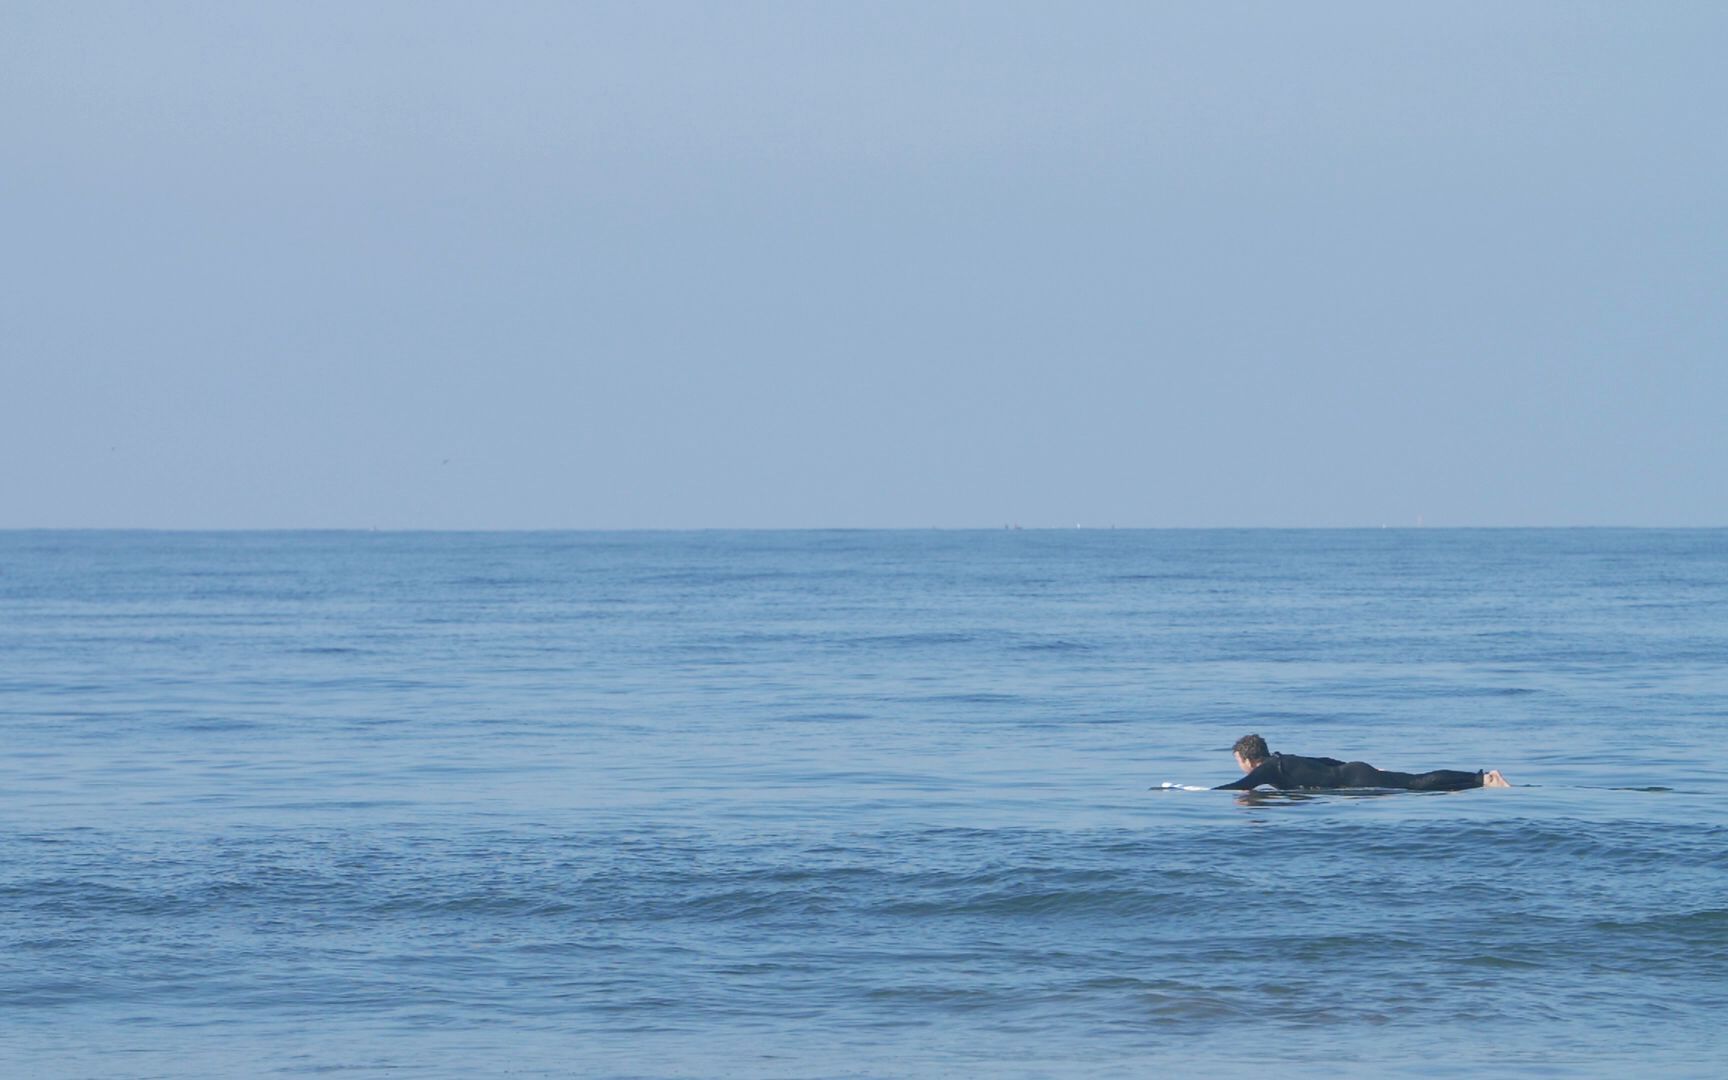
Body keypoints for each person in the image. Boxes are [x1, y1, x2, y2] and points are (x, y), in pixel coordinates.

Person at [1215, 733, 1511, 791]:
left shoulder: (1268, 769)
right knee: (1415, 783)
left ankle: (1482, 779)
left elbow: (1238, 786)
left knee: (1416, 784)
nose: (1239, 766)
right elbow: (1325, 760)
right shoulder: (1284, 760)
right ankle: (1480, 782)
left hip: (1355, 779)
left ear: (1248, 759)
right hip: (1354, 771)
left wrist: (1185, 791)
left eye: (1238, 761)